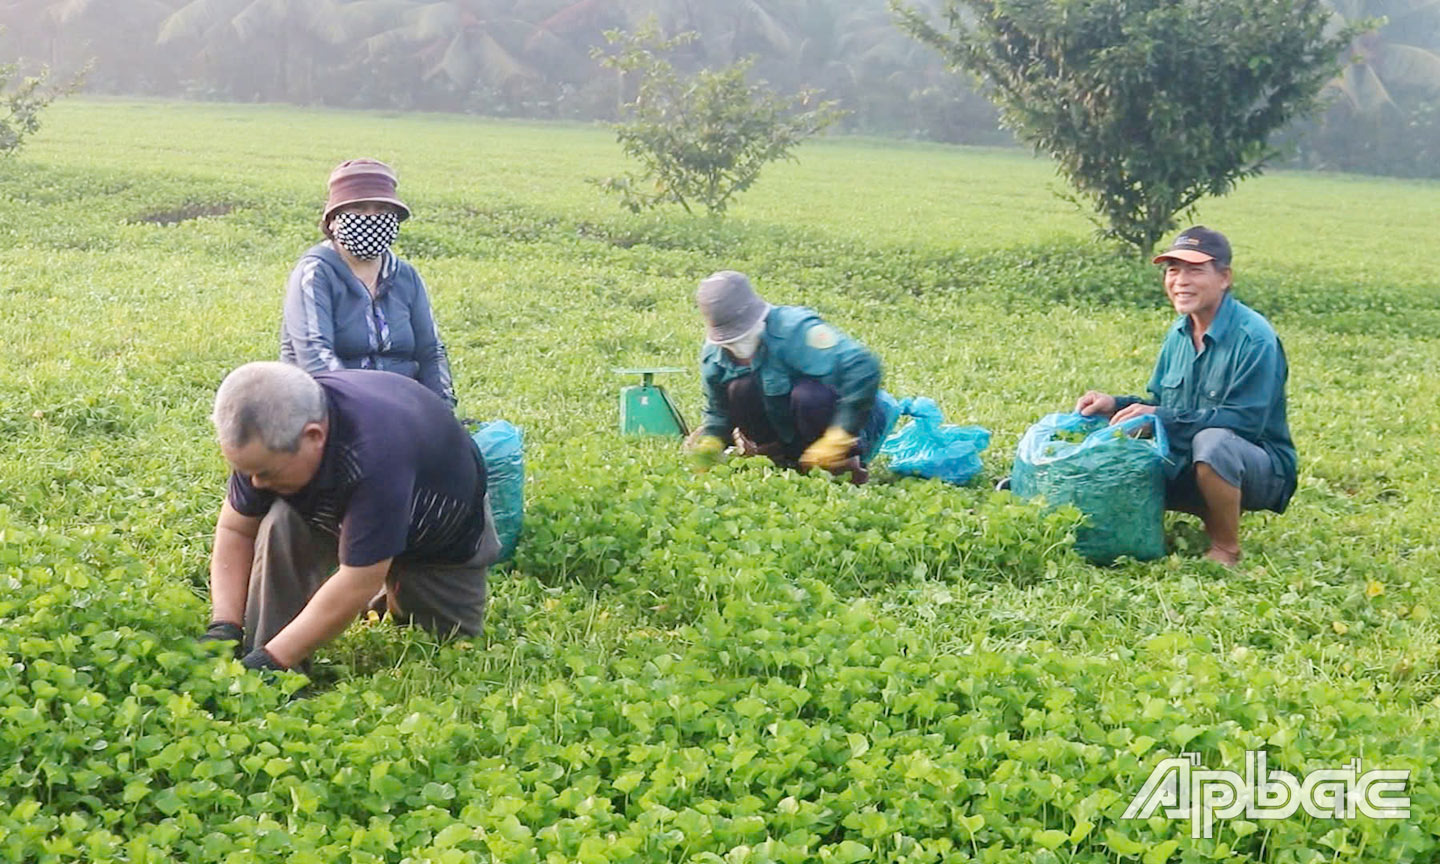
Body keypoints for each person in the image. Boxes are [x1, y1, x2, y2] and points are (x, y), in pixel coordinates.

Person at [200, 362, 498, 671]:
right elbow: (237, 529)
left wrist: (271, 662)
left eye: (264, 473)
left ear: (313, 436)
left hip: (435, 540)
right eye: (246, 472)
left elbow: (359, 581)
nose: (255, 484)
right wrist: (225, 626)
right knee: (280, 521)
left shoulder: (375, 454)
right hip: (337, 512)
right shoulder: (269, 433)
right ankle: (277, 658)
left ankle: (378, 593)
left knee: (448, 647)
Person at [1074, 226, 1296, 566]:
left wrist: (1158, 417)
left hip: (1258, 466)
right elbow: (1164, 405)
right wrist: (1115, 405)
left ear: (1224, 278)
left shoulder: (1255, 339)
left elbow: (1245, 423)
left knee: (1213, 444)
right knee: (1119, 448)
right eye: (1173, 270)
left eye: (1195, 270)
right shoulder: (1179, 333)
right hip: (1191, 456)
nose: (1181, 281)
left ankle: (1225, 548)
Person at [280, 158, 456, 408]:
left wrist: (441, 409)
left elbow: (430, 351)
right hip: (330, 405)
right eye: (359, 209)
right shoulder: (316, 272)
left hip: (403, 402)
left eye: (382, 210)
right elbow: (314, 354)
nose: (371, 218)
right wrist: (368, 410)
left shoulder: (406, 277)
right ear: (333, 220)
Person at [686, 271, 890, 483]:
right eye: (729, 341)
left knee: (809, 395)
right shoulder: (715, 355)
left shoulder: (795, 329)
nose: (737, 347)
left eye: (742, 336)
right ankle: (778, 462)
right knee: (739, 389)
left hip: (826, 422)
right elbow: (719, 410)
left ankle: (842, 468)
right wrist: (712, 439)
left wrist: (841, 433)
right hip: (780, 432)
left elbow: (863, 366)